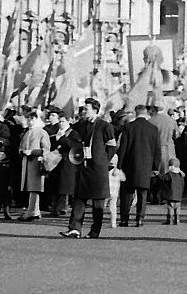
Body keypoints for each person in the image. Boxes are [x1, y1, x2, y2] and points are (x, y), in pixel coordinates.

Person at [60, 98, 116, 239]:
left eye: (86, 109)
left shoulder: (105, 126)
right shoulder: (81, 125)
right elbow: (69, 134)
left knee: (98, 201)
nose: (83, 111)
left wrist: (103, 161)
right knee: (79, 199)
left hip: (98, 169)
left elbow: (112, 146)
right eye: (83, 109)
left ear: (95, 111)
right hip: (83, 166)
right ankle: (74, 229)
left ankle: (95, 231)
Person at [117, 104, 162, 226]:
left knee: (127, 193)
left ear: (136, 113)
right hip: (146, 165)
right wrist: (156, 166)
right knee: (143, 192)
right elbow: (157, 149)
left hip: (130, 164)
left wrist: (119, 165)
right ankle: (140, 218)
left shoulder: (128, 127)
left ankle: (124, 218)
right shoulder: (153, 129)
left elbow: (123, 148)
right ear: (145, 113)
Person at [17, 108, 48, 220]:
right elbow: (21, 146)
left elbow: (46, 149)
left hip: (37, 163)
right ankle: (35, 210)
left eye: (33, 119)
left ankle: (32, 210)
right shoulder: (27, 133)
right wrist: (21, 151)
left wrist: (33, 152)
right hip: (26, 163)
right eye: (29, 119)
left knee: (35, 187)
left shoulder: (42, 132)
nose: (30, 121)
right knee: (30, 187)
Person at [160, 158, 185, 225]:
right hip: (178, 196)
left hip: (171, 195)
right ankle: (177, 219)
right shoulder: (181, 175)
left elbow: (163, 179)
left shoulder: (169, 174)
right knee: (177, 208)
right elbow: (183, 185)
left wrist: (158, 175)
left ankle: (170, 220)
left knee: (170, 208)